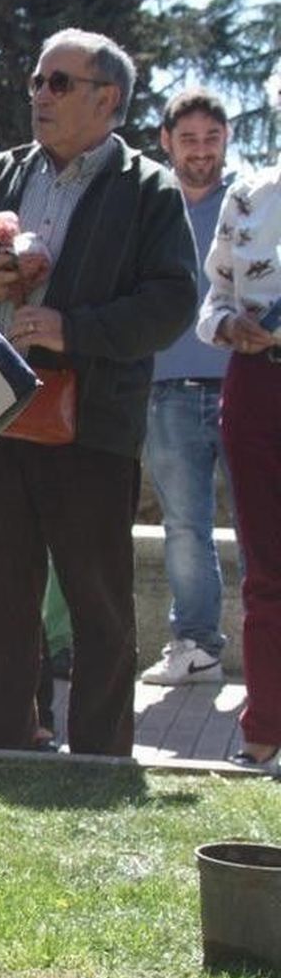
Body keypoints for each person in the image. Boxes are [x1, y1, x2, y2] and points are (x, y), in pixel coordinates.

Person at [0, 29, 197, 755]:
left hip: (92, 425)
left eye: (59, 83)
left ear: (107, 100)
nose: (39, 95)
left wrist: (73, 327)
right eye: (36, 80)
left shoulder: (148, 188)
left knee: (99, 605)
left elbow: (172, 302)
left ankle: (98, 755)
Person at [195, 65, 281, 769]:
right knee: (264, 565)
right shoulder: (249, 195)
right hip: (255, 387)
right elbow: (212, 301)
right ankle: (263, 729)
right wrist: (230, 327)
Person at [139, 88, 236, 686]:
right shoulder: (149, 206)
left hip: (247, 384)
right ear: (166, 141)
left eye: (212, 138)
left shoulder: (252, 205)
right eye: (189, 139)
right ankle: (197, 647)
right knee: (184, 527)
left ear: (226, 139)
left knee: (264, 524)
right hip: (166, 387)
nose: (201, 151)